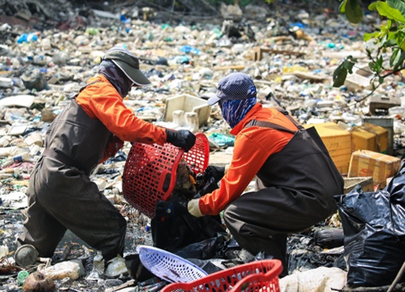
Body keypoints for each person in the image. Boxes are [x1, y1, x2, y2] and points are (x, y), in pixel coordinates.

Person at [18, 46, 196, 276]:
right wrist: (171, 135)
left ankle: (23, 265)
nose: (130, 88)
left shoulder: (86, 93)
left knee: (36, 248)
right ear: (118, 74)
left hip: (42, 175)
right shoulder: (102, 90)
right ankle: (112, 268)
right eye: (130, 81)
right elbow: (127, 125)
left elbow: (92, 140)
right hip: (63, 176)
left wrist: (115, 142)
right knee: (114, 228)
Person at [155, 72, 343, 277]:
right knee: (263, 186)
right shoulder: (272, 114)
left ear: (234, 104)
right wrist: (223, 171)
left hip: (314, 199)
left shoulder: (251, 134)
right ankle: (279, 261)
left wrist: (186, 208)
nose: (221, 111)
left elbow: (223, 200)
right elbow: (264, 160)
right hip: (331, 188)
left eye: (223, 105)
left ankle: (274, 271)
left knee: (236, 213)